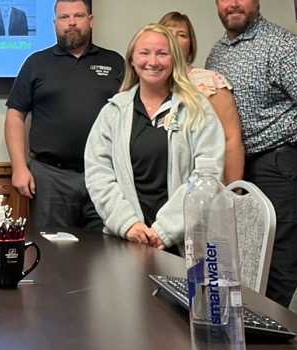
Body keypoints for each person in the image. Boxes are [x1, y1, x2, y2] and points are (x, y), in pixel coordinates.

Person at [204, 0, 297, 305]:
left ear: (257, 0)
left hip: (282, 168)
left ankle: (296, 340)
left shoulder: (283, 45)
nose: (233, 4)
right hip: (241, 169)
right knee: (251, 270)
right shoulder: (217, 54)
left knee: (285, 273)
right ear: (217, 5)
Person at [85, 24, 224, 249]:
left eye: (162, 53)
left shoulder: (197, 109)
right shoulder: (113, 112)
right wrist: (128, 224)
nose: (153, 61)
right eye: (144, 53)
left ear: (174, 59)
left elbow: (208, 177)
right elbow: (98, 174)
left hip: (183, 242)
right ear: (132, 60)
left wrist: (166, 230)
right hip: (126, 240)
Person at [5, 0, 123, 229]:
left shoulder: (115, 63)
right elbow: (15, 116)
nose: (71, 22)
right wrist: (18, 167)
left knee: (106, 246)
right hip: (50, 176)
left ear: (90, 20)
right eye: (64, 17)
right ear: (55, 22)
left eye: (78, 16)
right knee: (51, 247)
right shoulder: (36, 63)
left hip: (104, 174)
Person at [159, 11, 245, 184]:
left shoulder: (210, 81)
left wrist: (233, 190)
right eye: (167, 32)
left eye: (182, 35)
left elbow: (231, 140)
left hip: (205, 183)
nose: (174, 38)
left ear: (190, 45)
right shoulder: (148, 83)